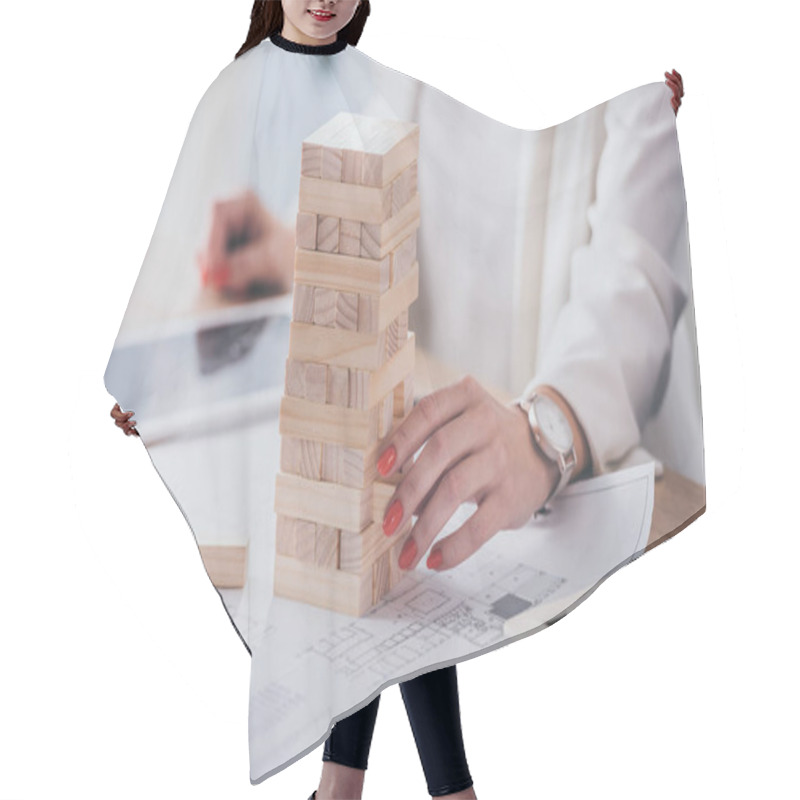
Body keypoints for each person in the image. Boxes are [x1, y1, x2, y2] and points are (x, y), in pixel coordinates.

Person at [110, 2, 686, 798]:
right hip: (281, 397)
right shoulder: (235, 91)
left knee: (387, 579)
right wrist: (150, 378)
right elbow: (197, 237)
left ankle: (353, 786)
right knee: (367, 586)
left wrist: (638, 111)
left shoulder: (372, 85)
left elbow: (494, 155)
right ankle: (425, 789)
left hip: (370, 374)